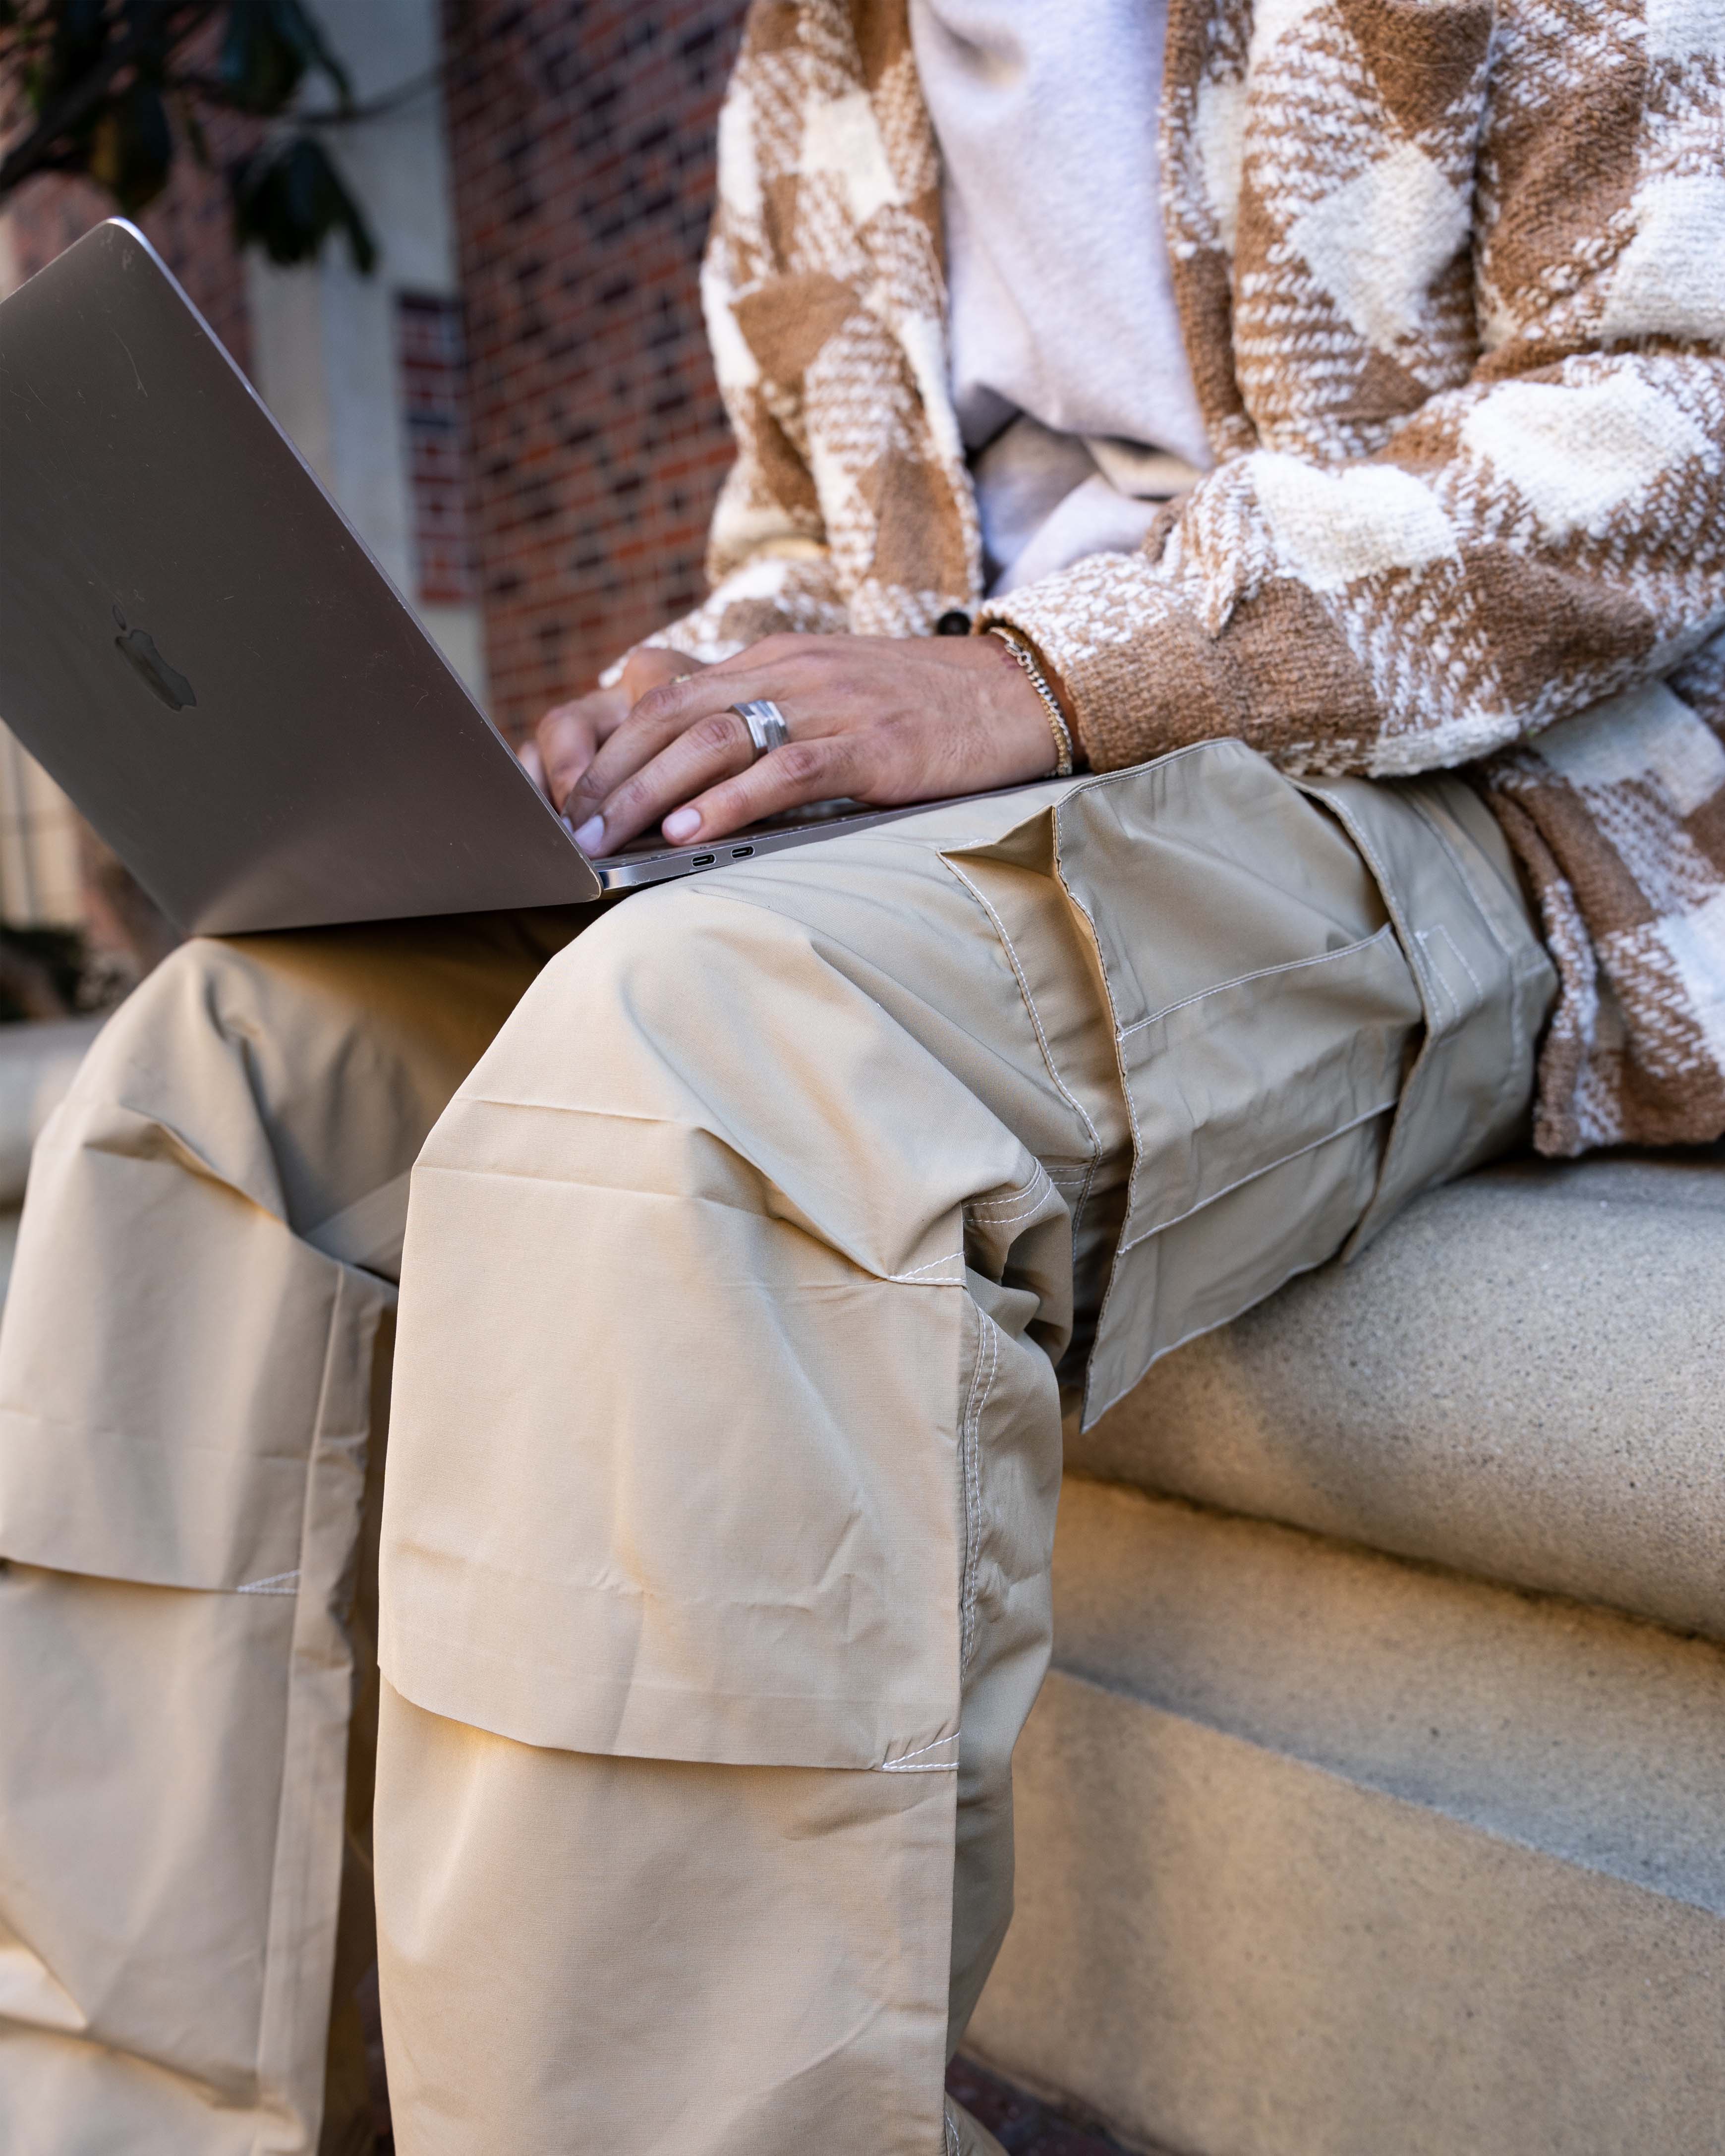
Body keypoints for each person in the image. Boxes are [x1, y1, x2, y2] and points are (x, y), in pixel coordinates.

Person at [1, 1, 1720, 2150]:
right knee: (234, 1063)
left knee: (703, 1077)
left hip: (1418, 783)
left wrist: (1038, 674)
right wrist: (705, 711)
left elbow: (1676, 420)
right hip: (933, 810)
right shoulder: (821, 51)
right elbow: (810, 548)